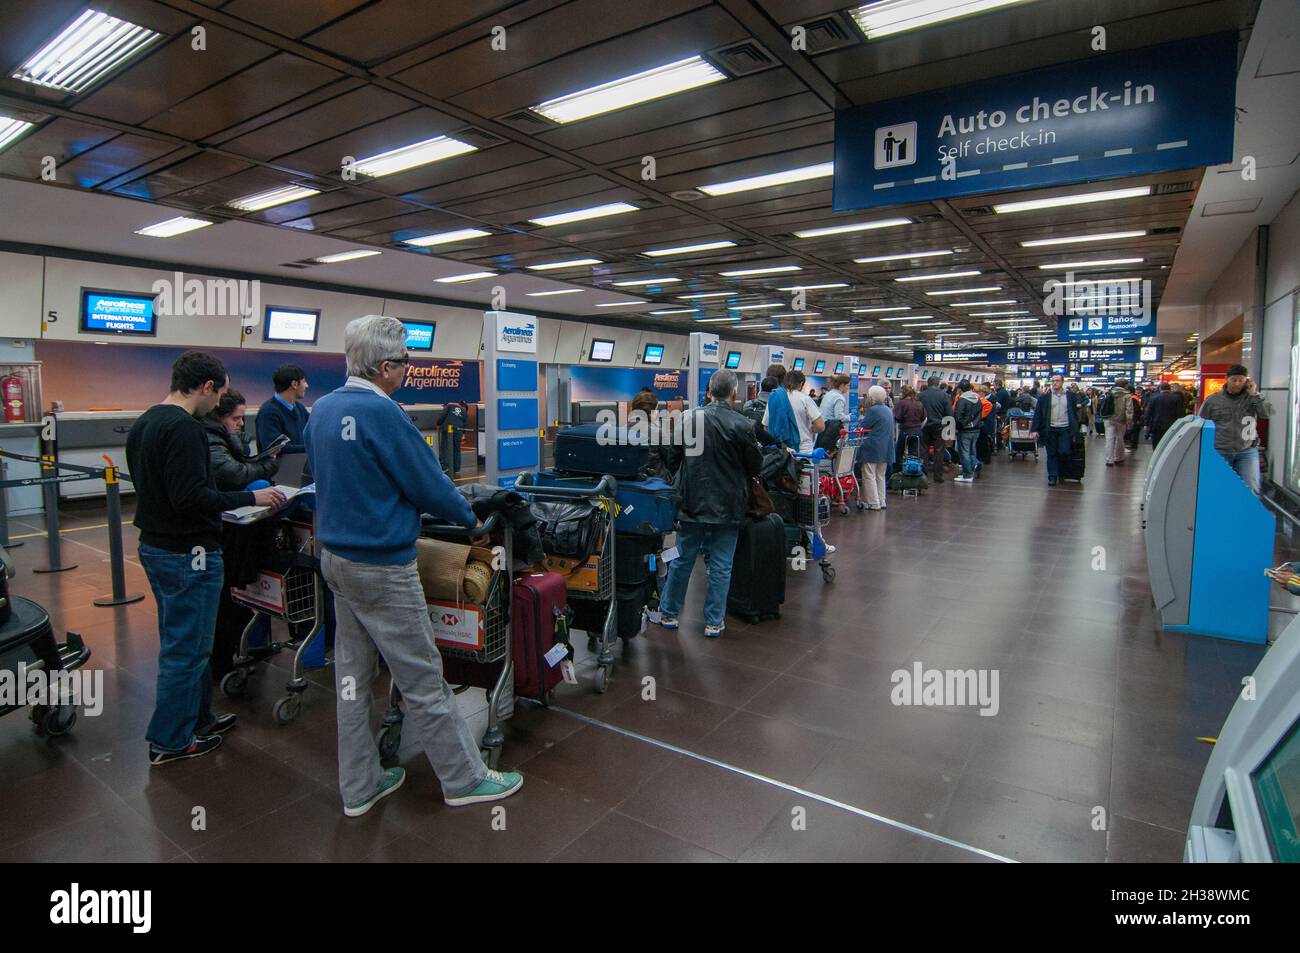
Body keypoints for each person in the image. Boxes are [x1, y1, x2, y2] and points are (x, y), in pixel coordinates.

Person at [306, 315, 522, 816]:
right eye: (404, 362)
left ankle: (359, 786)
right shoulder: (384, 414)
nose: (407, 370)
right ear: (384, 366)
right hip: (382, 567)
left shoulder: (321, 410)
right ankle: (465, 779)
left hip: (335, 561)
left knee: (352, 680)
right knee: (423, 679)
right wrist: (470, 520)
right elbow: (429, 484)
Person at [126, 351, 286, 766]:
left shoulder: (145, 422)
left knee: (188, 642)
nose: (220, 406)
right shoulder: (186, 430)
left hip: (157, 546)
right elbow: (193, 498)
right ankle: (171, 740)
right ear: (207, 386)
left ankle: (198, 719)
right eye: (219, 395)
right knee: (187, 649)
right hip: (188, 552)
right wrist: (251, 497)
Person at [658, 369, 762, 639]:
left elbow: (673, 456)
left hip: (691, 501)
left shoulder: (687, 418)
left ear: (708, 391)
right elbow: (755, 465)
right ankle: (714, 622)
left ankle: (669, 613)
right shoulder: (742, 424)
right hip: (728, 504)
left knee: (682, 560)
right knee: (721, 565)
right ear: (733, 393)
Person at [204, 389, 282, 683]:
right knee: (225, 603)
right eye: (236, 419)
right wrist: (268, 465)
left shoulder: (220, 438)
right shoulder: (212, 440)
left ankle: (227, 658)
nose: (240, 424)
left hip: (229, 528)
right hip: (225, 530)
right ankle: (220, 666)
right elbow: (235, 474)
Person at [1198, 364, 1272, 495]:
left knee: (1251, 488)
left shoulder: (1253, 398)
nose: (1237, 383)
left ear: (1247, 381)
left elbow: (1266, 414)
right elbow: (1201, 423)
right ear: (1227, 379)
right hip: (1220, 450)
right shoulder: (1213, 400)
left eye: (1241, 380)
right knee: (1218, 488)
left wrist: (1254, 394)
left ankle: (1246, 513)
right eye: (1234, 380)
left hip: (1247, 450)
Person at [1030, 375, 1079, 487]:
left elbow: (1074, 414)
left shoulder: (1071, 396)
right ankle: (1052, 476)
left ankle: (1061, 471)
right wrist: (1034, 429)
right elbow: (1038, 413)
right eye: (1053, 381)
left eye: (1057, 381)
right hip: (1050, 428)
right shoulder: (1045, 397)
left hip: (1065, 428)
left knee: (1064, 451)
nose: (1055, 383)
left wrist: (1076, 430)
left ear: (1062, 382)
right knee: (1051, 453)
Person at [765, 369, 824, 453]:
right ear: (801, 384)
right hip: (803, 450)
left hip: (782, 450)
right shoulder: (805, 399)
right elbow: (820, 426)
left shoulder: (775, 398)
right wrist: (811, 430)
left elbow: (766, 426)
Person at [256, 363, 310, 454]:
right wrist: (311, 448)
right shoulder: (268, 413)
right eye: (304, 381)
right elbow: (275, 448)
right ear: (294, 384)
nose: (307, 385)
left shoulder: (300, 409)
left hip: (300, 467)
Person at [859, 386, 893, 510]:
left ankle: (873, 502)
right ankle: (881, 499)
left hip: (873, 447)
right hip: (886, 448)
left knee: (869, 474)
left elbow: (863, 426)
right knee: (880, 475)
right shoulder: (888, 410)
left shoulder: (873, 411)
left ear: (872, 397)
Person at [918, 375, 951, 484]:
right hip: (939, 426)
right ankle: (938, 476)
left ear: (928, 383)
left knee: (923, 451)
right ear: (937, 383)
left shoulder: (921, 395)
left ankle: (924, 475)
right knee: (939, 451)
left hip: (924, 426)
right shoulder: (944, 395)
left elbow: (917, 410)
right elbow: (949, 414)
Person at [952, 380, 983, 483]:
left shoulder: (962, 400)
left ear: (960, 389)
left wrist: (959, 426)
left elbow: (958, 416)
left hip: (965, 430)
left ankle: (967, 475)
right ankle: (975, 463)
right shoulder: (978, 399)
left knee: (964, 452)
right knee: (972, 450)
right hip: (976, 428)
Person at [1143, 381, 1186, 451]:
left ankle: (1156, 456)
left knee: (1156, 443)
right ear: (1169, 389)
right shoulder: (1176, 399)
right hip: (1171, 425)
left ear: (1160, 389)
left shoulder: (1154, 398)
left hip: (1156, 425)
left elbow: (1148, 412)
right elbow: (1180, 413)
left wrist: (1146, 424)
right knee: (1169, 443)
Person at [1102, 377, 1133, 467]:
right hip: (1121, 420)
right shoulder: (1127, 395)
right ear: (1125, 385)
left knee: (1109, 439)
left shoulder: (1109, 392)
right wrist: (1129, 421)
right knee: (1120, 439)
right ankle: (1118, 458)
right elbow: (1129, 410)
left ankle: (1109, 460)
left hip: (1108, 419)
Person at [893, 384, 925, 466]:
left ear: (904, 393)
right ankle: (913, 471)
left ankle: (898, 471)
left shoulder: (901, 403)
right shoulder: (919, 403)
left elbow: (897, 417)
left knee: (899, 452)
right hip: (918, 432)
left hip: (906, 431)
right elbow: (924, 418)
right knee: (914, 455)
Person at [434, 399, 468, 474]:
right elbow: (465, 423)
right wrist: (463, 434)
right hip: (458, 431)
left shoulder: (449, 406)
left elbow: (442, 416)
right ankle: (456, 468)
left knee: (445, 448)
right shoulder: (464, 410)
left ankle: (445, 466)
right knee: (457, 449)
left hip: (448, 429)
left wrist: (438, 424)